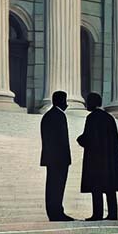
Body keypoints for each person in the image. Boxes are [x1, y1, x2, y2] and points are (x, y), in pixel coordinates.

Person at [77, 92, 118, 220]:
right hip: (109, 159)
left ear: (93, 103)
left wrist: (79, 140)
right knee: (110, 188)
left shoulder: (92, 118)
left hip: (95, 159)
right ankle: (113, 213)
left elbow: (88, 138)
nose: (87, 104)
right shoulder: (109, 118)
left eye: (88, 101)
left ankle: (97, 214)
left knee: (96, 187)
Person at [40, 90, 74, 222]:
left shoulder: (48, 115)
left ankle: (53, 212)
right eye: (65, 101)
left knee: (51, 186)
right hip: (60, 159)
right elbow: (62, 140)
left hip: (51, 159)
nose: (67, 104)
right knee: (58, 186)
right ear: (61, 101)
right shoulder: (59, 116)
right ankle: (57, 213)